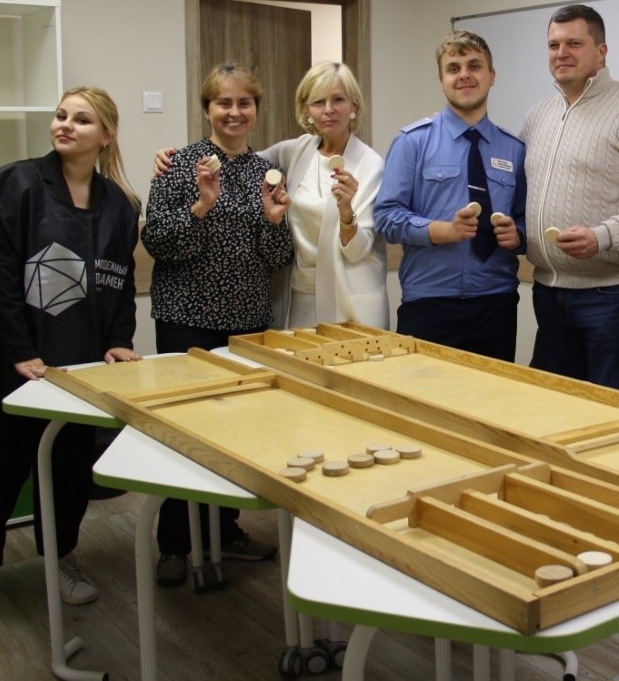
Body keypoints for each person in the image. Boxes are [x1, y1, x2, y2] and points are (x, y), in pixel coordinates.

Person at [0, 87, 142, 608]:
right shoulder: (14, 186)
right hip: (2, 357)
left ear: (106, 135)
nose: (65, 125)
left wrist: (118, 341)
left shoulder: (119, 205)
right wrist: (19, 350)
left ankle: (62, 555)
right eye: (61, 116)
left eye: (81, 120)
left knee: (67, 467)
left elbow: (119, 281)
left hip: (75, 362)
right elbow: (1, 279)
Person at [142, 61, 293, 587]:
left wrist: (273, 223)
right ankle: (174, 542)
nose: (234, 112)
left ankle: (225, 530)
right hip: (186, 319)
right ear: (207, 108)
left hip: (246, 323)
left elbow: (278, 257)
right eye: (223, 103)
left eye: (243, 103)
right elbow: (158, 243)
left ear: (256, 109)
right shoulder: (179, 165)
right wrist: (202, 206)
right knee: (184, 432)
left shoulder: (265, 172)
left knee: (236, 434)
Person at [522, 4, 619, 393]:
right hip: (548, 292)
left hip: (613, 296)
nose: (561, 53)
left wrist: (601, 237)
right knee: (556, 409)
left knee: (613, 410)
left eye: (574, 43)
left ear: (601, 51)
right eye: (554, 45)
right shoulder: (538, 116)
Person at [374, 30, 526, 360]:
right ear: (442, 80)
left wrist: (518, 235)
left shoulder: (514, 149)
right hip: (429, 303)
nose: (464, 75)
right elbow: (385, 217)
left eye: (474, 66)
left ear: (492, 76)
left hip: (496, 303)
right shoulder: (412, 142)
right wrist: (443, 231)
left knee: (493, 393)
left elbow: (525, 218)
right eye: (453, 68)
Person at [261, 61, 388, 328]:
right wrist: (178, 160)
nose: (328, 109)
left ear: (354, 106)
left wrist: (346, 214)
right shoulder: (295, 151)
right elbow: (240, 160)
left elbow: (358, 252)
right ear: (307, 110)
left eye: (338, 100)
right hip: (300, 295)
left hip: (350, 299)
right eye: (318, 102)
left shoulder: (370, 164)